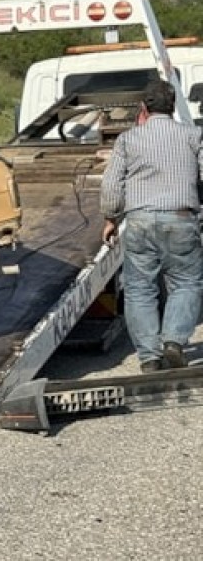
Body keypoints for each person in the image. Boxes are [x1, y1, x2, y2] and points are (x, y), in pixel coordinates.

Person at [100, 80, 203, 372]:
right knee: (186, 282)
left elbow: (111, 184)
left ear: (144, 108)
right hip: (181, 219)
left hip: (140, 221)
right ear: (173, 108)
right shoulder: (194, 136)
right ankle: (173, 342)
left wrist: (110, 218)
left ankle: (149, 357)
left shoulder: (127, 140)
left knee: (139, 288)